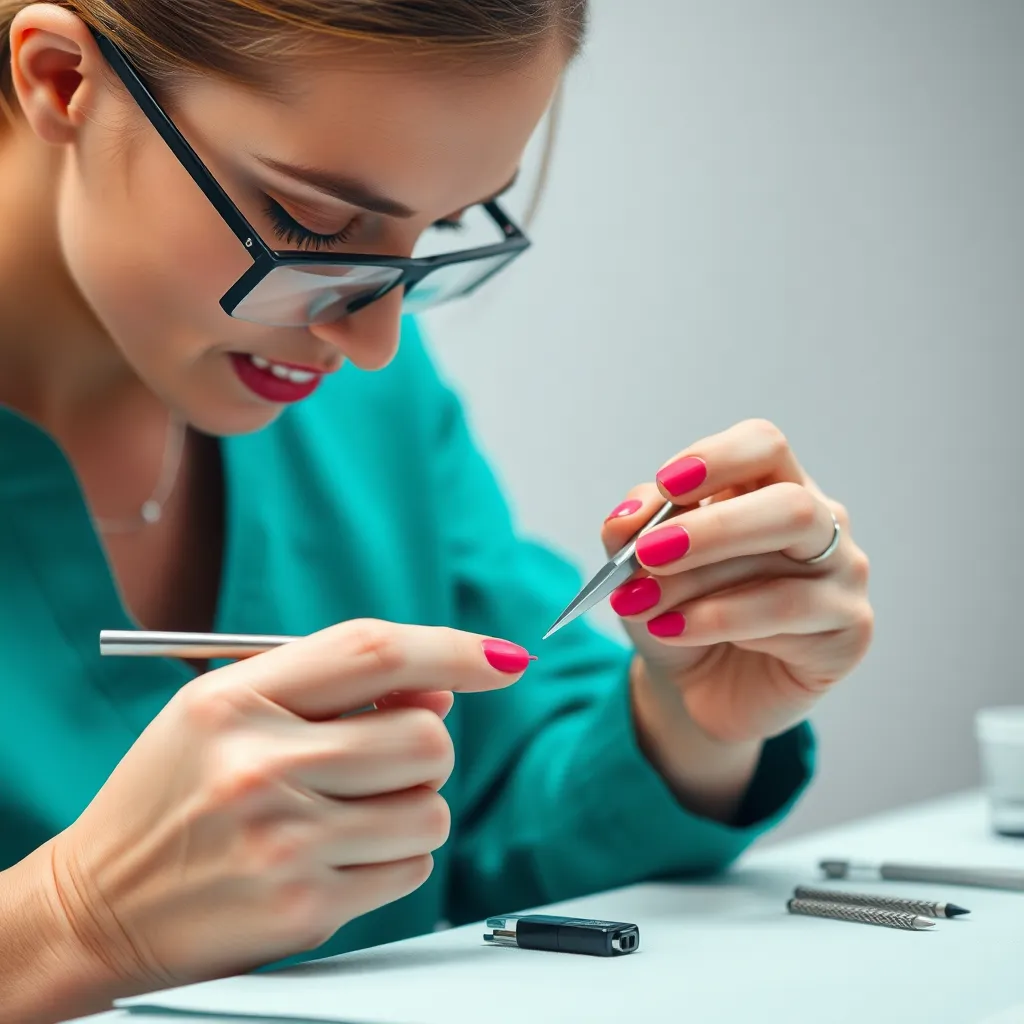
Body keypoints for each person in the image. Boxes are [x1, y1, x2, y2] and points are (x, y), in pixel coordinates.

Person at [0, 2, 873, 1021]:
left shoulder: (355, 395)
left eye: (444, 228)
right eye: (312, 224)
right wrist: (67, 922)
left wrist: (687, 722)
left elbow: (498, 818)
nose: (373, 339)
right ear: (64, 79)